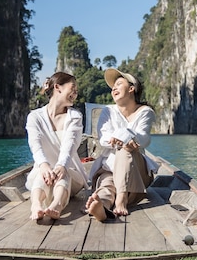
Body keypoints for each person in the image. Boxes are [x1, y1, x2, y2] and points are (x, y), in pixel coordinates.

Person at [85, 68, 159, 221]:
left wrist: (123, 137)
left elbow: (144, 139)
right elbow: (103, 138)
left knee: (126, 149)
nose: (114, 88)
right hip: (110, 168)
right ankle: (101, 206)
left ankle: (121, 199)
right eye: (113, 86)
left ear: (131, 89)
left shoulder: (145, 112)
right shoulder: (107, 111)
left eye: (119, 84)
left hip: (136, 171)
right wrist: (120, 138)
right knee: (107, 186)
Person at [25, 72, 88, 220]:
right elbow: (35, 144)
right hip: (43, 172)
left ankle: (56, 205)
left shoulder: (75, 117)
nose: (75, 93)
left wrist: (62, 165)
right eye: (73, 88)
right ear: (58, 87)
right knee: (44, 173)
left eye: (77, 91)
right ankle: (36, 205)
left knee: (62, 172)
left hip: (70, 173)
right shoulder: (35, 117)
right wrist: (43, 165)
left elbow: (70, 145)